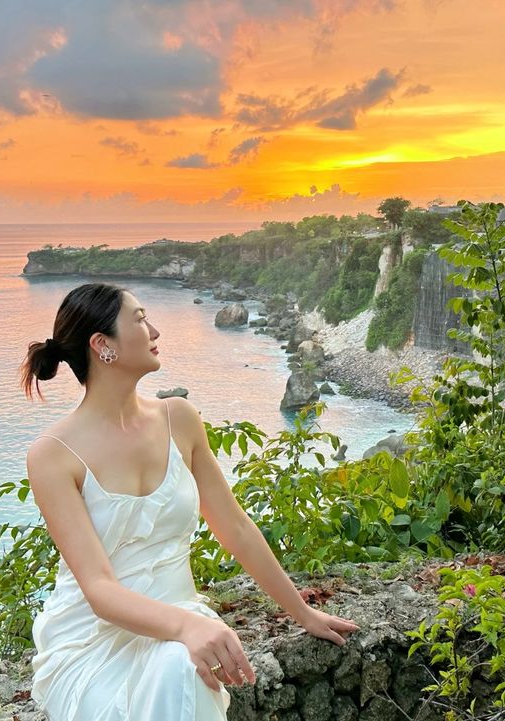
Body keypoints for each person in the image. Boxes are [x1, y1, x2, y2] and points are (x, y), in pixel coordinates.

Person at [22, 282, 360, 720]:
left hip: (179, 620)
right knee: (184, 664)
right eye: (141, 319)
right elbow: (100, 589)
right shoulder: (52, 455)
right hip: (93, 638)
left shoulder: (179, 419)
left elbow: (234, 527)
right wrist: (189, 627)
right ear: (102, 345)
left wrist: (302, 612)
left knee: (182, 667)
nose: (155, 330)